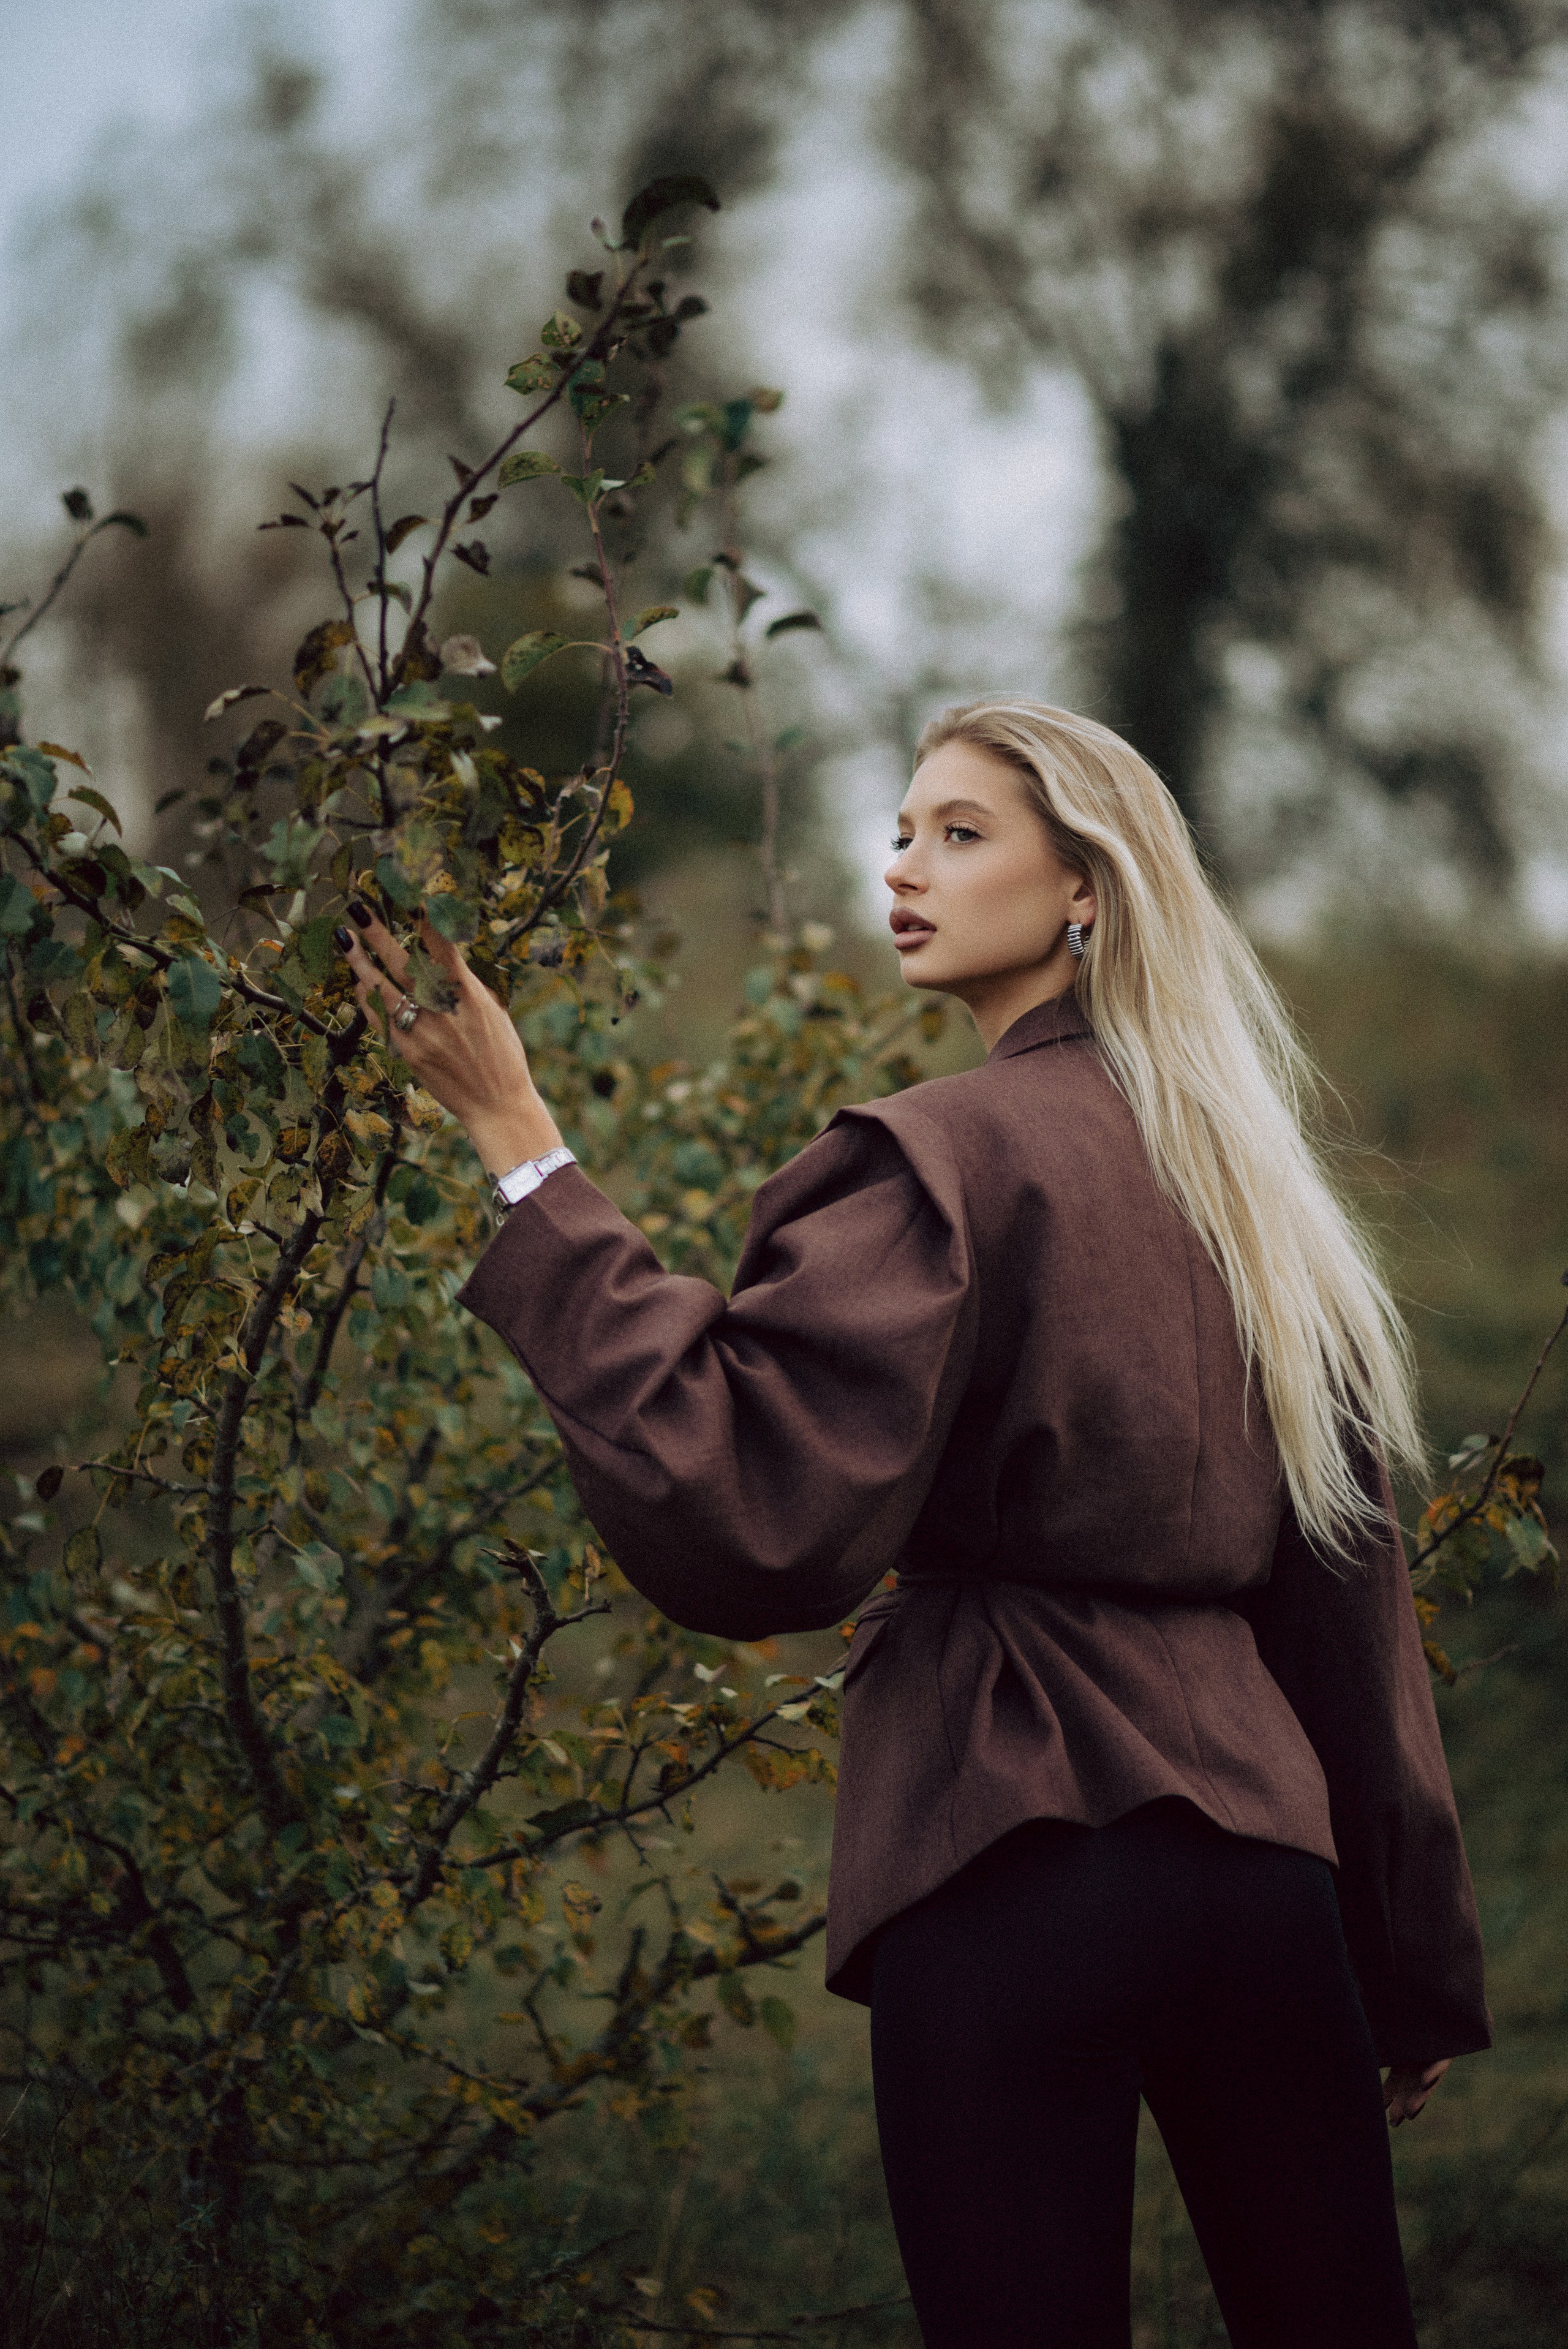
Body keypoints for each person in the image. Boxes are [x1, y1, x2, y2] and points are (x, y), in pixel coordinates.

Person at [337, 698, 1491, 2348]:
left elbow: (748, 1494)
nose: (904, 868)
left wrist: (521, 1143)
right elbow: (1347, 1609)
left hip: (1008, 1844)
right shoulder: (1259, 1188)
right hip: (1266, 1881)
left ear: (1087, 890)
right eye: (900, 830)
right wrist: (1402, 1952)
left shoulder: (935, 1157)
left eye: (962, 833)